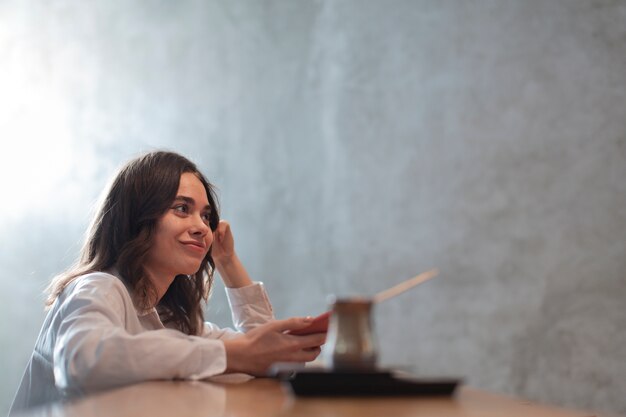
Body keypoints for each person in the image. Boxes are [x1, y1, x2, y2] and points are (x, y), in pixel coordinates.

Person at [10, 151, 325, 413]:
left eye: (205, 216)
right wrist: (230, 355)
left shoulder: (171, 322)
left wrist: (228, 263)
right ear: (138, 218)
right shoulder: (98, 288)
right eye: (182, 208)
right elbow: (83, 363)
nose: (202, 227)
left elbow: (266, 359)